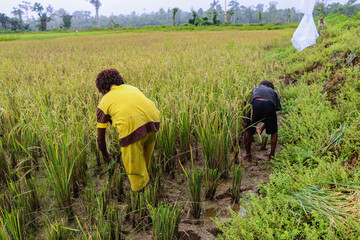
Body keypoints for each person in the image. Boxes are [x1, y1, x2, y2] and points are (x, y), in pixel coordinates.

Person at [96, 68, 160, 192]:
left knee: (135, 173)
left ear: (103, 90)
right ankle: (149, 188)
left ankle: (142, 198)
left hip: (132, 131)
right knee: (143, 165)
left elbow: (100, 140)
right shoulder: (132, 88)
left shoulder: (104, 102)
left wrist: (106, 155)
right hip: (153, 124)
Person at [243, 80, 282, 161]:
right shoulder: (273, 92)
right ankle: (271, 155)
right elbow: (270, 116)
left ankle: (248, 154)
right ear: (271, 87)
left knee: (248, 131)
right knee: (274, 132)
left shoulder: (256, 89)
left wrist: (248, 125)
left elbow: (247, 104)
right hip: (269, 104)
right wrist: (263, 128)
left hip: (255, 103)